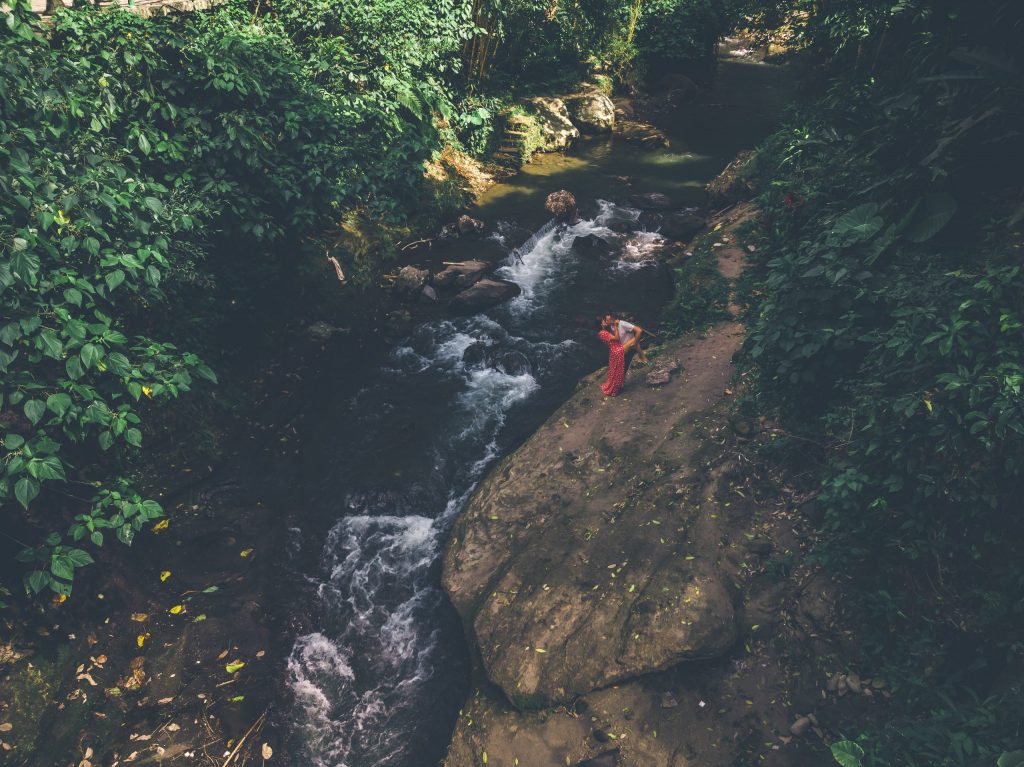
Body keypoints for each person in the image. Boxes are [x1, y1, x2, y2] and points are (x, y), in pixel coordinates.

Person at [597, 322, 625, 396]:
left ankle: (617, 386)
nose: (605, 322)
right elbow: (616, 338)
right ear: (601, 324)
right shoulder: (602, 333)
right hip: (616, 350)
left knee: (615, 370)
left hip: (615, 350)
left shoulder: (607, 331)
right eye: (603, 321)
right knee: (617, 370)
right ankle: (614, 390)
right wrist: (615, 326)